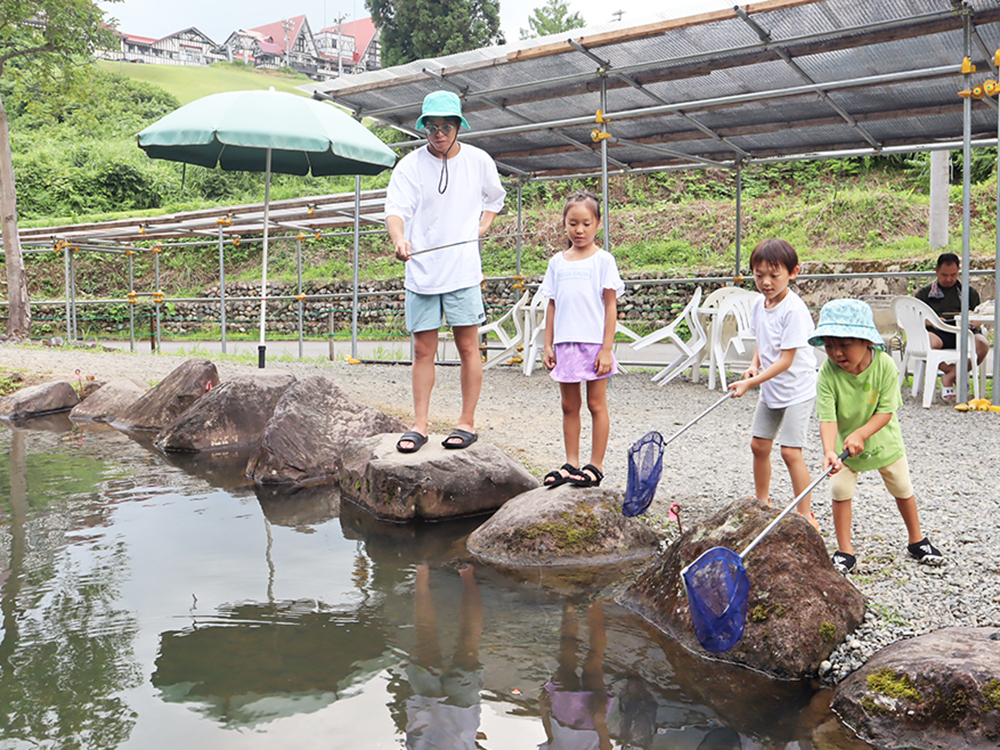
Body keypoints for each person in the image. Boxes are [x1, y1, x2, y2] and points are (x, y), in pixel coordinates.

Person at [386, 90, 507, 453]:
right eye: (431, 127)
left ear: (458, 127)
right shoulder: (410, 165)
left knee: (469, 348)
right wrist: (399, 239)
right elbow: (396, 210)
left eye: (446, 126)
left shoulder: (478, 160)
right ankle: (419, 426)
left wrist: (483, 226)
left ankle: (465, 423)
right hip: (422, 270)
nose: (438, 133)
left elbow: (495, 197)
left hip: (463, 270)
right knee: (423, 351)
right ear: (424, 128)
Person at [809, 299, 944, 575]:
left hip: (883, 439)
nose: (836, 352)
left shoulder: (884, 365)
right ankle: (845, 550)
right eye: (829, 344)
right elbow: (828, 417)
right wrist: (829, 451)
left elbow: (885, 412)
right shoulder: (827, 372)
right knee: (839, 491)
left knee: (902, 488)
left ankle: (916, 539)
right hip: (844, 444)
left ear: (867, 341)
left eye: (844, 344)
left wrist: (862, 433)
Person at [727, 239, 818, 527]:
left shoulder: (793, 310)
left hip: (798, 389)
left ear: (793, 272)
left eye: (774, 275)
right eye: (758, 275)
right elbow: (762, 343)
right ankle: (761, 502)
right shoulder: (758, 304)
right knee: (758, 445)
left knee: (791, 451)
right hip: (772, 387)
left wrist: (750, 385)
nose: (766, 282)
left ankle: (805, 513)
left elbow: (785, 361)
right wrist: (753, 366)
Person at [540, 191, 624, 489]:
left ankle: (595, 465)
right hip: (565, 344)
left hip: (594, 345)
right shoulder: (557, 263)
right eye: (573, 223)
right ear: (564, 224)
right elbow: (552, 304)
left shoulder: (604, 261)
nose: (579, 230)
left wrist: (606, 348)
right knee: (568, 405)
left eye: (586, 223)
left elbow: (611, 305)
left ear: (597, 224)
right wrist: (547, 344)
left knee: (596, 404)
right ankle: (571, 462)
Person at [404, 564, 483, 749]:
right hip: (426, 712)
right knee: (425, 632)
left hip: (462, 717)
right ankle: (423, 567)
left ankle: (466, 572)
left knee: (469, 637)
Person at [913, 252, 990, 400]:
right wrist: (934, 321)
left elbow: (979, 316)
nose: (949, 279)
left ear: (959, 272)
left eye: (953, 275)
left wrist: (970, 323)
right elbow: (917, 318)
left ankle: (949, 377)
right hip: (938, 333)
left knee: (983, 344)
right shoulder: (925, 293)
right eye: (944, 275)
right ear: (936, 271)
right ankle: (954, 373)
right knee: (924, 343)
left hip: (963, 332)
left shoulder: (969, 292)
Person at [538, 601, 613, 750]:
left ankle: (570, 603)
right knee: (594, 660)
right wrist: (600, 722)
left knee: (568, 657)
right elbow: (606, 746)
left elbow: (551, 738)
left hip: (562, 713)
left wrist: (543, 709)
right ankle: (593, 603)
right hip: (591, 721)